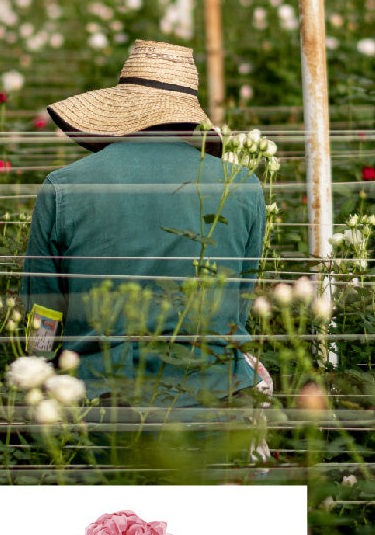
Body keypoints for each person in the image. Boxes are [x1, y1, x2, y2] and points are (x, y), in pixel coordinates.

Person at [20, 39, 267, 413]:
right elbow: (238, 305)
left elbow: (44, 312)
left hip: (98, 411)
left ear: (121, 107)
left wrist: (36, 375)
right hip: (214, 404)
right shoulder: (242, 185)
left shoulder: (63, 186)